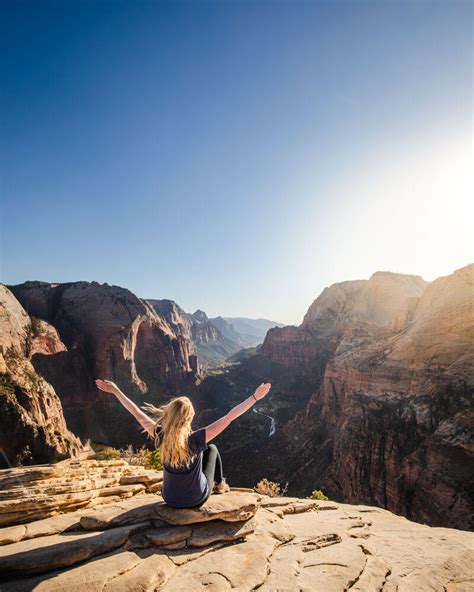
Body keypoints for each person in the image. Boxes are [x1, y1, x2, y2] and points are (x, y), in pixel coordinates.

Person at [95, 379, 272, 508]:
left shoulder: (160, 435)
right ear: (188, 419)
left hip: (169, 499)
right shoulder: (196, 439)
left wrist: (116, 391)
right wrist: (255, 397)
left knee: (206, 451)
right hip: (195, 499)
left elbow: (136, 413)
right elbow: (230, 416)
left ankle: (218, 483)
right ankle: (220, 484)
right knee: (212, 449)